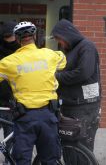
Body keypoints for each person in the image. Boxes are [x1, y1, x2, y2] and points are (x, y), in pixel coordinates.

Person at [0, 21, 66, 165]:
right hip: (48, 116)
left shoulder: (8, 62)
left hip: (25, 118)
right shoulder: (49, 55)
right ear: (35, 36)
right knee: (50, 160)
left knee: (22, 160)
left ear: (17, 39)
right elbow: (63, 60)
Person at [51, 19, 101, 152]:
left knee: (82, 148)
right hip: (72, 105)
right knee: (70, 149)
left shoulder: (86, 47)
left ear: (66, 35)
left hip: (84, 107)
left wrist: (57, 76)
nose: (59, 43)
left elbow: (84, 72)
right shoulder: (70, 50)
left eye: (59, 39)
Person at [0, 21, 20, 165]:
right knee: (10, 137)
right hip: (8, 101)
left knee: (11, 138)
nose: (10, 39)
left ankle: (9, 162)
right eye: (7, 36)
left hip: (11, 102)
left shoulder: (21, 51)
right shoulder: (20, 50)